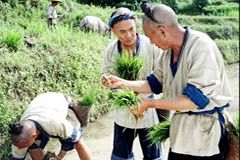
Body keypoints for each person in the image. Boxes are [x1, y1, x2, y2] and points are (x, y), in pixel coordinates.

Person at [102, 3, 233, 160]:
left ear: (162, 31)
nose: (150, 42)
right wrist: (121, 82)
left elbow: (195, 100)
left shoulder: (201, 47)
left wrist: (151, 104)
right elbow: (153, 84)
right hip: (181, 134)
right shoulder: (167, 55)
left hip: (206, 133)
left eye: (150, 36)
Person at [101, 7, 166, 160]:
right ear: (113, 31)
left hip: (148, 109)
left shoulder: (151, 46)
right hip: (123, 111)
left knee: (154, 156)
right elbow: (105, 73)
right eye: (122, 32)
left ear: (136, 24)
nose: (129, 35)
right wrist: (105, 79)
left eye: (131, 29)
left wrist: (143, 101)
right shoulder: (111, 50)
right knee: (120, 156)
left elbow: (162, 78)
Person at [9, 92, 92, 160]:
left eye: (23, 146)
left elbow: (74, 138)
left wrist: (60, 156)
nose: (20, 149)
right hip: (40, 104)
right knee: (34, 150)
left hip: (60, 102)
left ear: (34, 136)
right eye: (20, 146)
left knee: (78, 142)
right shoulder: (18, 138)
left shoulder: (55, 123)